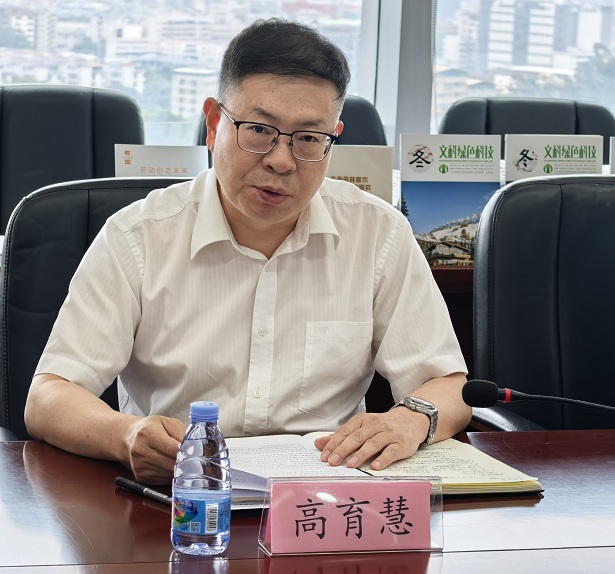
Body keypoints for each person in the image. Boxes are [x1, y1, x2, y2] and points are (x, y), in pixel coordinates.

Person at [25, 18, 472, 484]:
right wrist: (126, 434)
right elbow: (49, 396)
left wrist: (409, 420)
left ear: (332, 138)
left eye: (308, 139)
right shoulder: (136, 237)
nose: (281, 161)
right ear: (214, 124)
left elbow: (447, 385)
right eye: (259, 129)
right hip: (180, 495)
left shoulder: (377, 233)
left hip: (322, 498)